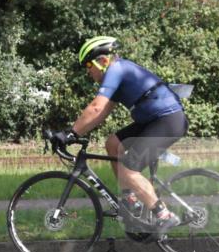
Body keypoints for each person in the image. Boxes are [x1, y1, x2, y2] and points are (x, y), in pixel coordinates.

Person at [51, 36, 187, 234]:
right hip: (154, 120)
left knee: (129, 170)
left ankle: (163, 215)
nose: (87, 70)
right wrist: (74, 133)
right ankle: (131, 201)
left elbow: (96, 107)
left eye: (89, 64)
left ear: (103, 61)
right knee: (113, 144)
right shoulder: (117, 73)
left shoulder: (116, 69)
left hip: (167, 121)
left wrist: (70, 134)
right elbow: (102, 113)